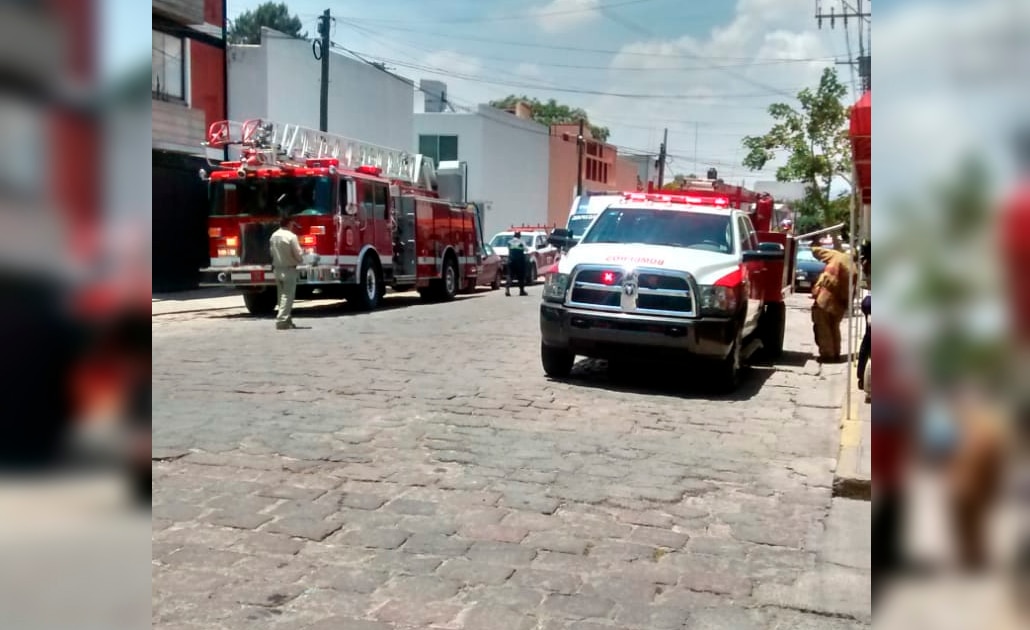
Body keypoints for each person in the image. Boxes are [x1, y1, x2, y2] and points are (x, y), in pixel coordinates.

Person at [810, 238, 858, 362]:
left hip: (825, 298)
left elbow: (818, 252)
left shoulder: (837, 256)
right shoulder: (854, 268)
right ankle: (836, 352)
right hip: (840, 302)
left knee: (823, 327)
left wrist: (813, 246)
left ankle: (828, 354)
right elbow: (853, 290)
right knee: (834, 327)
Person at [269, 216, 304, 330]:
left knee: (281, 296)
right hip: (289, 269)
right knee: (288, 296)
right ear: (289, 224)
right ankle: (282, 320)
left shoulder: (273, 235)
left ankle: (287, 319)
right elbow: (298, 254)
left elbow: (271, 252)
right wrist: (301, 257)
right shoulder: (291, 236)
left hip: (277, 268)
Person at [506, 230, 528, 297]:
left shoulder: (509, 242)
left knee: (510, 275)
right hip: (520, 262)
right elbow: (526, 249)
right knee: (521, 276)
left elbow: (508, 249)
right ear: (519, 236)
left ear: (514, 235)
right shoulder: (522, 242)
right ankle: (521, 291)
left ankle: (507, 289)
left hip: (511, 261)